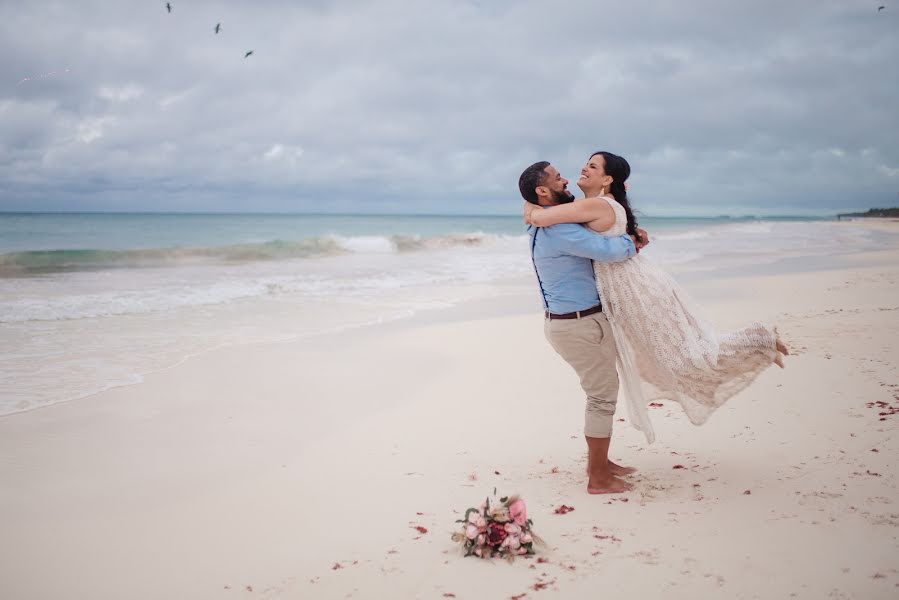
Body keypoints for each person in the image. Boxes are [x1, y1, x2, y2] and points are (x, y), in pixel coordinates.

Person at [524, 151, 789, 446]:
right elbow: (565, 221)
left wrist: (532, 210)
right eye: (585, 164)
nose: (581, 170)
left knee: (681, 357)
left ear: (608, 179)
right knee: (670, 358)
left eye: (593, 166)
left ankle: (757, 339)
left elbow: (547, 218)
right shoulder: (590, 206)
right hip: (630, 288)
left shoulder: (595, 205)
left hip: (635, 289)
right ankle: (740, 355)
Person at [518, 161, 646, 495]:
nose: (565, 178)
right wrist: (634, 240)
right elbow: (610, 251)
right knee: (602, 398)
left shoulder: (542, 223)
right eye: (556, 177)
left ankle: (600, 464)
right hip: (580, 324)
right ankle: (598, 478)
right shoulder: (559, 230)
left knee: (601, 392)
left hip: (566, 323)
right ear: (543, 191)